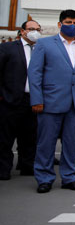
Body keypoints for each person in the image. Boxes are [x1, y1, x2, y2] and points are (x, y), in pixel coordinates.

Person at [29, 10, 75, 193]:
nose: (73, 25)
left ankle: (70, 177)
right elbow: (35, 73)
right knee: (46, 142)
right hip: (50, 102)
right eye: (69, 22)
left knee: (72, 143)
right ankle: (44, 178)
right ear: (60, 24)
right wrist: (36, 99)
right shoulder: (44, 44)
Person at [0, 20, 41, 179]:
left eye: (38, 29)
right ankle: (4, 168)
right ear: (23, 31)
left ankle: (27, 165)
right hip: (10, 100)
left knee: (30, 136)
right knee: (5, 137)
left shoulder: (42, 49)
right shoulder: (7, 48)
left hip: (33, 100)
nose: (35, 32)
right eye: (31, 29)